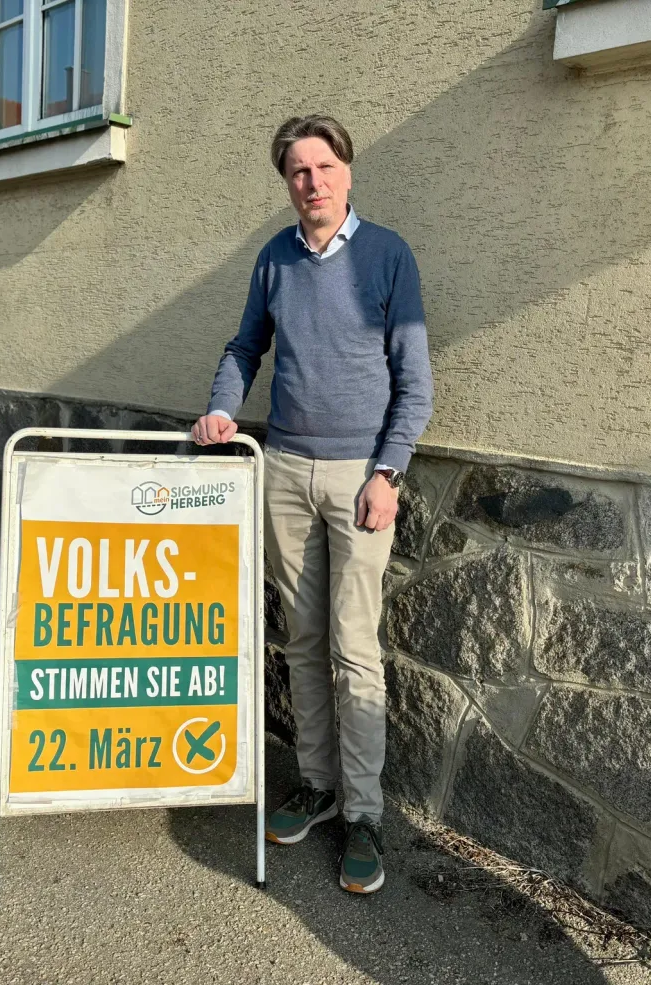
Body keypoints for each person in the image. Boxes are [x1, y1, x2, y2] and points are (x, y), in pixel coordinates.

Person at [191, 114, 434, 894]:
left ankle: (364, 813)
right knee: (299, 639)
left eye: (324, 166)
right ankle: (318, 785)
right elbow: (244, 349)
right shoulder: (275, 260)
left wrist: (388, 473)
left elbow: (415, 381)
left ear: (348, 174)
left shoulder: (388, 256)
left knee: (354, 645)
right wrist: (224, 407)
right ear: (287, 183)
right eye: (297, 170)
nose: (312, 181)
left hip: (362, 475)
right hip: (286, 470)